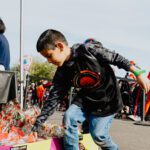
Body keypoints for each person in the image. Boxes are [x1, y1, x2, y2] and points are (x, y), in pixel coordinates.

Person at [32, 29, 150, 150]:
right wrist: (38, 124)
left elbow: (116, 58)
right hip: (85, 99)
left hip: (108, 100)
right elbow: (53, 98)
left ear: (60, 46)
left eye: (49, 56)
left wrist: (138, 73)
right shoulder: (62, 72)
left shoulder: (88, 50)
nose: (49, 61)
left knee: (98, 136)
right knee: (69, 117)